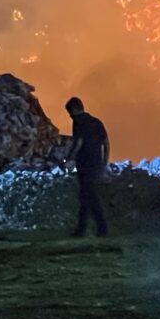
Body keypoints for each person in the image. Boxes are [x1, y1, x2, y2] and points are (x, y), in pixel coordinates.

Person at [65, 97, 109, 237]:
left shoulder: (78, 122)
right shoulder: (97, 122)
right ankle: (82, 229)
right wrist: (104, 163)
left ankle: (101, 229)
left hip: (85, 165)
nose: (70, 116)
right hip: (96, 164)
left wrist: (70, 158)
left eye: (70, 113)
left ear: (74, 110)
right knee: (86, 196)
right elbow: (106, 143)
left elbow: (79, 141)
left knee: (90, 197)